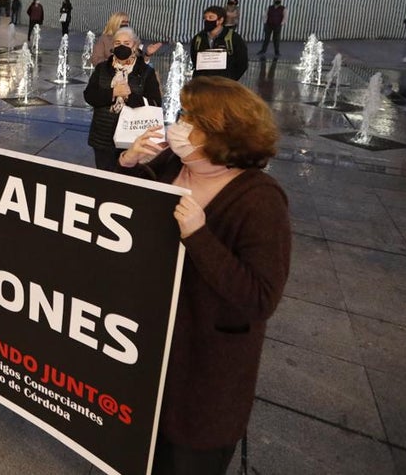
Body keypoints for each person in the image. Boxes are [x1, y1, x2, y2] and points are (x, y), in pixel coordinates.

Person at [117, 77, 290, 475]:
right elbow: (121, 214)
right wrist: (128, 162)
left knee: (186, 461)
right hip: (149, 348)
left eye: (191, 119)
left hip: (204, 370)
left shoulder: (260, 200)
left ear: (220, 135)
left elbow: (260, 297)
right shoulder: (172, 163)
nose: (179, 125)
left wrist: (199, 236)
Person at [84, 27, 162, 172]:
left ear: (135, 46)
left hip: (132, 139)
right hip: (102, 138)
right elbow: (89, 96)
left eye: (127, 43)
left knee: (128, 176)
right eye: (118, 43)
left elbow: (155, 103)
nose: (122, 47)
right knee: (105, 176)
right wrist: (113, 93)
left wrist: (129, 97)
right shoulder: (102, 68)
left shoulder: (146, 72)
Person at [190, 6, 248, 81]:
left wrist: (230, 80)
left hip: (224, 83)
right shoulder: (198, 38)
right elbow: (194, 59)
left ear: (220, 20)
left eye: (211, 17)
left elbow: (242, 63)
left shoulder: (233, 38)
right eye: (205, 18)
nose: (207, 20)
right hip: (202, 83)